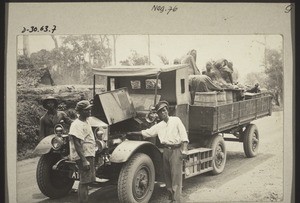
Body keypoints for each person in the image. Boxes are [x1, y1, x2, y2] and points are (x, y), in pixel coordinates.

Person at [127, 101, 189, 203]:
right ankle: (171, 198)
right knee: (167, 176)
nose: (163, 113)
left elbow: (184, 136)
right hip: (166, 151)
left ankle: (177, 200)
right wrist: (130, 133)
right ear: (158, 115)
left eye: (164, 110)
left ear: (167, 110)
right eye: (160, 112)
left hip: (176, 150)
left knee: (176, 177)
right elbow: (147, 132)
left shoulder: (176, 120)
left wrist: (185, 150)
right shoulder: (159, 125)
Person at [68, 100, 96, 203]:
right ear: (81, 111)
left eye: (90, 109)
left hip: (89, 153)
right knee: (84, 182)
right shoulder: (77, 124)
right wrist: (84, 160)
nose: (90, 111)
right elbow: (77, 144)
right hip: (84, 155)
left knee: (86, 181)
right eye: (87, 110)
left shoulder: (86, 121)